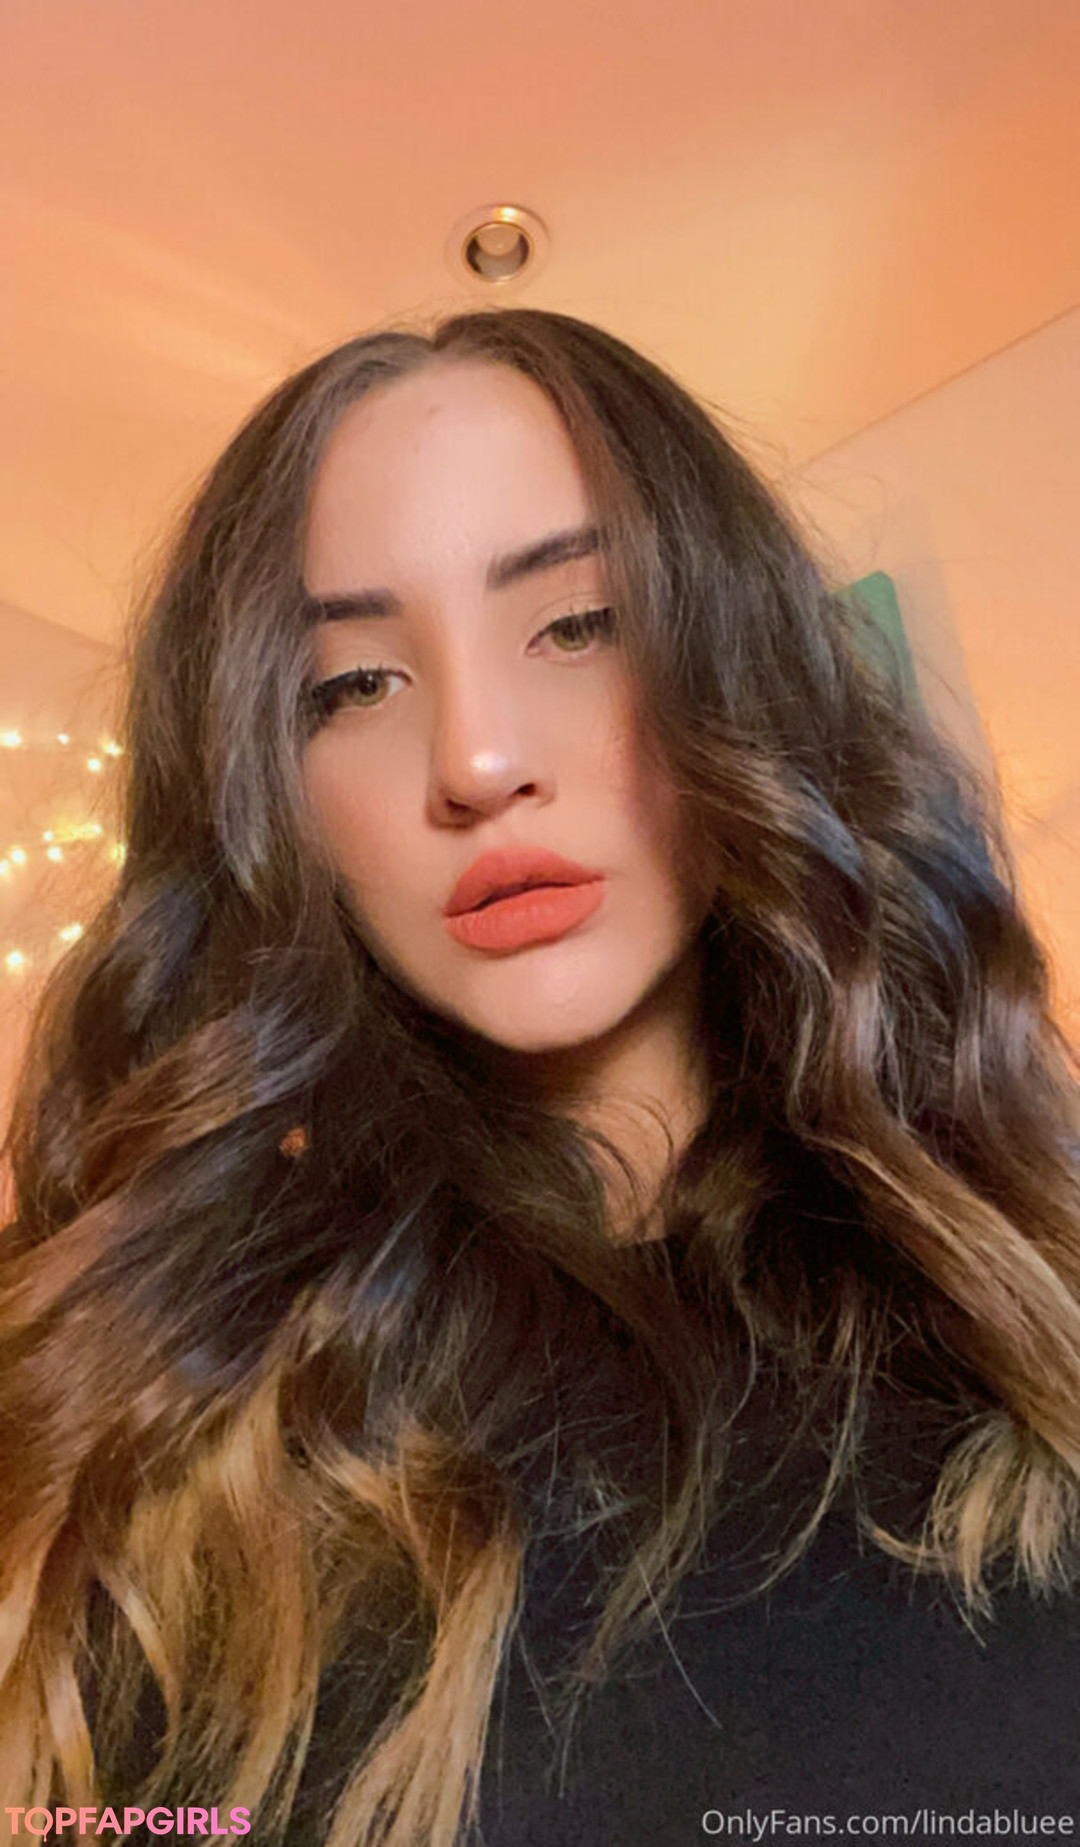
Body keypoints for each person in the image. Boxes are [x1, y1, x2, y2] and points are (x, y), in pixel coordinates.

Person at [1, 307, 1079, 1847]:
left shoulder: (1033, 1301)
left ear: (738, 666)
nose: (478, 760)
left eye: (578, 624)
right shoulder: (141, 1417)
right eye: (351, 686)